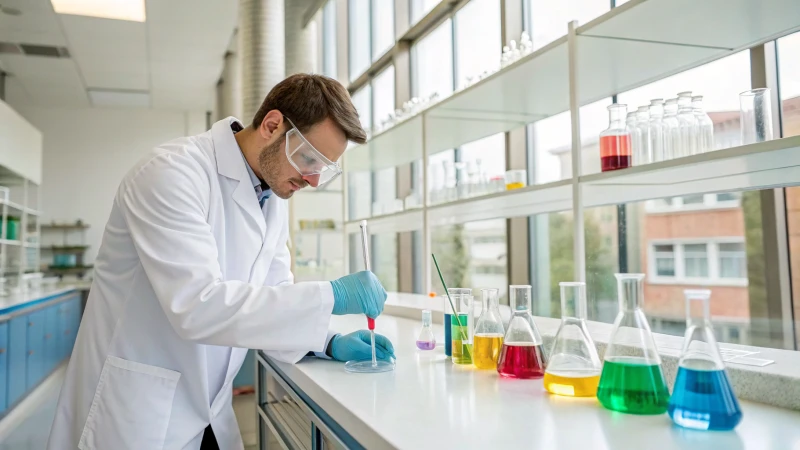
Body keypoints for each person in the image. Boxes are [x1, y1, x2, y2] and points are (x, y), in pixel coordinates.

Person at [46, 74, 395, 450]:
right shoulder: (171, 173)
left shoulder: (270, 198)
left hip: (210, 412)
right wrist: (333, 295)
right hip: (138, 415)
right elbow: (197, 305)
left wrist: (329, 340)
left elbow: (273, 294)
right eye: (309, 158)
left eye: (324, 167)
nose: (312, 179)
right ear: (272, 125)